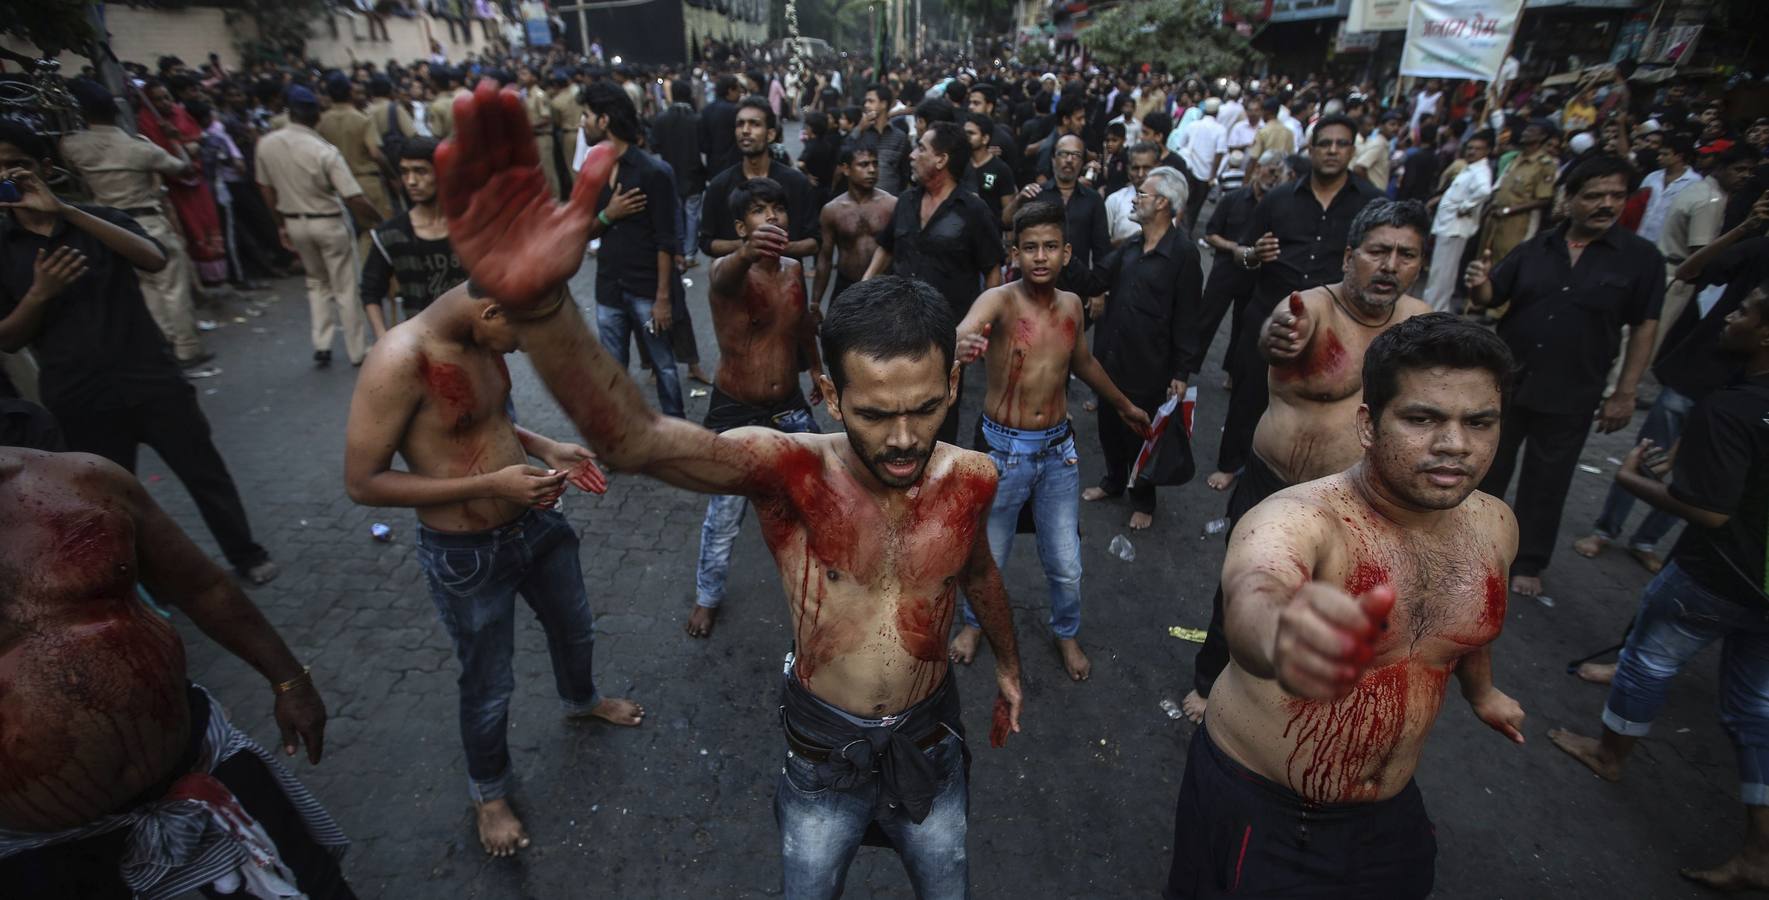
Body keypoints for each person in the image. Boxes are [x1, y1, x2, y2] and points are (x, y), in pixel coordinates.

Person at [431, 84, 1027, 895]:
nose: (900, 438)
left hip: (930, 743)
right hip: (824, 751)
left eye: (922, 411)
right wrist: (542, 310)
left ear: (950, 393)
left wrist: (1009, 667)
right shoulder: (790, 469)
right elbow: (635, 439)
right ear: (833, 395)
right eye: (875, 413)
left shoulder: (973, 477)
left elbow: (979, 574)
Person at [1166, 313, 1526, 899]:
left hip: (1386, 816)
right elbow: (1256, 591)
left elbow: (1470, 621)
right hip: (1265, 807)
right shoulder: (1299, 519)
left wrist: (1481, 692)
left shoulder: (1495, 525)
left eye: (1479, 422)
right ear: (1368, 424)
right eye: (1422, 418)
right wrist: (1282, 637)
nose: (1454, 444)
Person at [342, 273, 644, 856]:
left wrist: (544, 447)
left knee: (575, 628)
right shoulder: (398, 359)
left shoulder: (480, 338)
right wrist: (493, 484)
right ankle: (489, 792)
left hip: (536, 526)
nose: (525, 350)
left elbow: (486, 415)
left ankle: (582, 702)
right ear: (488, 312)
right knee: (489, 683)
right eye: (522, 337)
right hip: (467, 555)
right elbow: (362, 483)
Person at [0, 448, 350, 899]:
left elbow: (203, 588)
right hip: (51, 852)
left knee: (317, 887)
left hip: (206, 766)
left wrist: (290, 681)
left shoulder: (82, 479)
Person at [1546, 279, 1769, 894]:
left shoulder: (1734, 407)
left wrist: (1631, 477)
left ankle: (1608, 755)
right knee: (1755, 710)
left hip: (1716, 575)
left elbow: (1711, 511)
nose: (1730, 316)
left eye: (1746, 310)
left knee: (1646, 661)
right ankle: (1759, 848)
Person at [1185, 200, 1435, 723]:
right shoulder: (1308, 308)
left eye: (1406, 255)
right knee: (1247, 588)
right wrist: (1275, 339)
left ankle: (1295, 693)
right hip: (1276, 488)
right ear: (1349, 256)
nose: (1390, 265)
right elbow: (1274, 337)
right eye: (1378, 252)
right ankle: (1210, 681)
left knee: (1331, 599)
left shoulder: (1422, 327)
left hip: (1355, 502)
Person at [0, 124, 279, 585]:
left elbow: (152, 257)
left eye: (16, 165)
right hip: (80, 395)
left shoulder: (97, 220)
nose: (6, 176)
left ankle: (246, 553)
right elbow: (8, 339)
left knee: (204, 473)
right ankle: (153, 587)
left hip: (151, 378)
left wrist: (65, 210)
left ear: (44, 168)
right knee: (107, 500)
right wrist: (40, 294)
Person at [945, 199, 1151, 680]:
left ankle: (1065, 632)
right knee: (988, 556)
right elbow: (963, 329)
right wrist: (962, 344)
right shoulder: (1000, 300)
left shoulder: (1073, 306)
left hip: (1058, 453)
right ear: (1014, 252)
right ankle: (975, 624)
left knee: (1065, 562)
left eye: (1051, 247)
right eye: (1030, 247)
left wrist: (1123, 404)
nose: (1040, 256)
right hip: (1002, 450)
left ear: (1066, 252)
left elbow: (1082, 363)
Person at [1465, 155, 1665, 598]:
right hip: (1509, 382)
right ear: (1568, 199)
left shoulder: (1640, 259)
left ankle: (1529, 560)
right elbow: (1493, 295)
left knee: (1548, 479)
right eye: (1593, 195)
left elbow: (1645, 326)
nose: (1605, 204)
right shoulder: (1536, 248)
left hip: (1574, 388)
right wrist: (1479, 283)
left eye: (1615, 196)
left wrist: (1625, 392)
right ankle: (1474, 546)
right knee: (1488, 469)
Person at [1571, 190, 1769, 586]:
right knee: (1650, 452)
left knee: (1706, 482)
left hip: (1747, 397)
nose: (1736, 313)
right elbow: (1690, 271)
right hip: (1702, 372)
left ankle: (1647, 542)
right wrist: (1745, 228)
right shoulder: (1759, 248)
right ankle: (1606, 529)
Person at [1213, 114, 1385, 493]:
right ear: (1311, 150)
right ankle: (1232, 464)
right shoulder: (1278, 199)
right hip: (1272, 312)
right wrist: (1254, 253)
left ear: (1352, 150)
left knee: (1324, 399)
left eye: (1341, 144)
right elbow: (1241, 251)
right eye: (1325, 144)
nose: (1333, 151)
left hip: (1336, 321)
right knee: (1250, 392)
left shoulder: (1372, 204)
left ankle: (1312, 476)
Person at [684, 177, 825, 639]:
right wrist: (746, 253)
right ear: (741, 225)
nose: (773, 218)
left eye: (779, 209)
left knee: (818, 497)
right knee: (724, 515)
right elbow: (727, 276)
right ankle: (707, 597)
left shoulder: (794, 269)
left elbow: (803, 326)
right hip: (735, 409)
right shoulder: (727, 271)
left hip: (788, 406)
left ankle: (822, 587)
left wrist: (817, 371)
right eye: (761, 211)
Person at [863, 121, 1006, 444]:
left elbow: (993, 270)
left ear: (941, 159)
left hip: (949, 335)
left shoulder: (972, 210)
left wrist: (983, 329)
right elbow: (887, 248)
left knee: (938, 412)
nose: (912, 155)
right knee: (894, 405)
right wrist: (863, 288)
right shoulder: (907, 201)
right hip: (898, 326)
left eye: (921, 149)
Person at [58, 78, 211, 367]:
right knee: (172, 288)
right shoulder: (140, 148)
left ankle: (164, 346)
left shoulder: (72, 146)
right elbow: (184, 169)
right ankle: (187, 349)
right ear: (116, 112)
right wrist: (175, 139)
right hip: (149, 222)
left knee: (146, 290)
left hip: (113, 230)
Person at [1084, 167, 1203, 531]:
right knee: (1108, 424)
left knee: (1141, 433)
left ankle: (1143, 498)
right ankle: (1113, 481)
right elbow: (1095, 279)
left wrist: (1181, 373)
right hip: (1112, 357)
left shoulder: (1183, 254)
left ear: (1163, 203)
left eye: (1143, 194)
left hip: (1151, 365)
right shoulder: (1131, 246)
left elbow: (1187, 317)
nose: (1135, 199)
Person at [255, 86, 383, 368]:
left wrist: (280, 224)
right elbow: (353, 196)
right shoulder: (323, 150)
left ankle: (322, 343)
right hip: (327, 221)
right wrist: (378, 219)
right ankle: (357, 348)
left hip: (294, 220)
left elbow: (265, 189)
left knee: (316, 283)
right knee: (345, 285)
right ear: (315, 116)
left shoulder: (267, 144)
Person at [360, 138, 468, 337]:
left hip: (474, 338)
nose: (411, 181)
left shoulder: (469, 226)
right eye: (404, 172)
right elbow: (370, 290)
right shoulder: (391, 235)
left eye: (421, 171)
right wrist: (382, 337)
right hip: (423, 342)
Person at [1196, 150, 1283, 387]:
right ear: (1257, 170)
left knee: (1243, 329)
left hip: (1254, 278)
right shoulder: (1232, 199)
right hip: (1225, 271)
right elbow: (1211, 233)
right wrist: (1235, 248)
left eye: (1278, 173)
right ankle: (1187, 367)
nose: (1273, 176)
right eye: (1270, 170)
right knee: (1206, 320)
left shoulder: (1277, 207)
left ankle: (1232, 374)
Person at [699, 97, 819, 264]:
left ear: (770, 134)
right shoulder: (719, 186)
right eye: (740, 124)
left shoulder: (796, 183)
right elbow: (707, 243)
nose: (745, 130)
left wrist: (775, 245)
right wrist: (748, 246)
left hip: (785, 284)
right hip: (736, 285)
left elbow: (814, 242)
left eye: (754, 124)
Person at [811, 145, 895, 314]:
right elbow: (825, 258)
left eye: (875, 164)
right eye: (863, 165)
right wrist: (815, 302)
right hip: (847, 285)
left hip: (885, 286)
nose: (872, 170)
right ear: (846, 169)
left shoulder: (891, 205)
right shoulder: (832, 210)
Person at [316, 76, 392, 260]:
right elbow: (375, 153)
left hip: (335, 185)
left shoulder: (321, 122)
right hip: (366, 183)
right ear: (350, 92)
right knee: (376, 232)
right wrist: (392, 175)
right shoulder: (362, 119)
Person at [1424, 130, 1495, 313]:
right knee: (1441, 273)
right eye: (1470, 148)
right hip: (1448, 225)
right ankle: (1435, 308)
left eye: (1477, 149)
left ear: (1487, 151)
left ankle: (1432, 310)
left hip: (1455, 228)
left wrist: (1465, 206)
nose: (1471, 152)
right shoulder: (1470, 168)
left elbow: (1484, 191)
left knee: (1442, 274)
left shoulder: (1481, 171)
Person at [1479, 120, 1558, 268]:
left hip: (1517, 222)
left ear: (1542, 137)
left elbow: (1544, 199)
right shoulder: (1515, 158)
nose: (1525, 133)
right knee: (1483, 260)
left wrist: (1509, 210)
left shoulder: (1545, 165)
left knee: (1505, 262)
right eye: (1526, 130)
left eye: (1532, 131)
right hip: (1495, 218)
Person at [650, 79, 707, 268]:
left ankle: (677, 251)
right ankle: (690, 254)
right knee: (691, 214)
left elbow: (654, 146)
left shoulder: (661, 119)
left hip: (669, 173)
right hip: (693, 173)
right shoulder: (697, 119)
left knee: (673, 213)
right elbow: (705, 146)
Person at [1173, 97, 1226, 231]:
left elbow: (1180, 144)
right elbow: (1219, 154)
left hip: (1188, 170)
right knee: (1194, 207)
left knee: (1182, 202)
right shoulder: (1220, 130)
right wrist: (1213, 176)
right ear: (1217, 113)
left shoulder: (1193, 125)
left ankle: (1175, 229)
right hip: (1205, 174)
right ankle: (1185, 232)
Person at [852, 83, 913, 194]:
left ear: (883, 104)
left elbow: (905, 173)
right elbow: (844, 155)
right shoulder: (861, 133)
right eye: (865, 101)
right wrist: (858, 129)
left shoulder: (899, 137)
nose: (866, 105)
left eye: (871, 101)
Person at [961, 111, 1017, 229]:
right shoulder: (959, 164)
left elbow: (1009, 214)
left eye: (971, 133)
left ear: (985, 138)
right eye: (964, 133)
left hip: (990, 234)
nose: (966, 137)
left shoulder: (1001, 169)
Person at [1105, 141, 1159, 246]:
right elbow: (1104, 247)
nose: (1140, 174)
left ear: (1158, 168)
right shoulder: (1114, 201)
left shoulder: (1166, 202)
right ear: (1128, 170)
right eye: (1135, 168)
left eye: (1147, 168)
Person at [701, 74, 743, 177]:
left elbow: (703, 143)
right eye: (738, 90)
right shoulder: (736, 110)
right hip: (734, 164)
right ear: (730, 91)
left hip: (713, 163)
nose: (740, 93)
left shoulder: (706, 110)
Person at [1352, 112, 1400, 193]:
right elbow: (1358, 169)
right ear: (1381, 126)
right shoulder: (1379, 144)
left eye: (1398, 125)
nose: (1396, 128)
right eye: (1392, 124)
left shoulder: (1384, 144)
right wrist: (1373, 190)